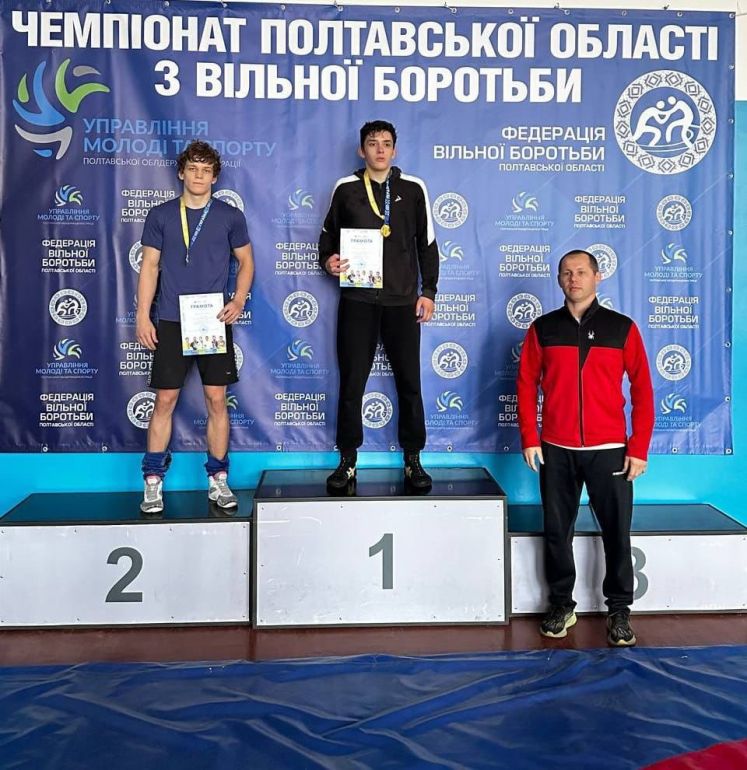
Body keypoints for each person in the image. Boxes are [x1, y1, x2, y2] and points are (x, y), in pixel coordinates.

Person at [516, 249, 654, 646]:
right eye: (566, 273)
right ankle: (562, 604)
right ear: (559, 279)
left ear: (597, 277)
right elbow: (525, 384)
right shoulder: (543, 328)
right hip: (556, 449)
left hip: (610, 449)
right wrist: (529, 437)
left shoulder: (621, 328)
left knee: (617, 533)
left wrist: (638, 447)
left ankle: (619, 610)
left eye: (580, 272)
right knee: (557, 532)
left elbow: (643, 390)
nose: (573, 279)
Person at [319, 120, 439, 490]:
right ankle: (347, 460)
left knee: (410, 383)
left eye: (387, 143)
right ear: (362, 150)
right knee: (352, 383)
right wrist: (329, 261)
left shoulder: (414, 188)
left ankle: (413, 459)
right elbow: (326, 239)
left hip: (402, 302)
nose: (380, 149)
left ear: (395, 150)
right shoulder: (346, 188)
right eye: (373, 143)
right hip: (358, 300)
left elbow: (427, 244)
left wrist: (428, 291)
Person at [135, 140, 254, 514]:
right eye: (193, 169)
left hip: (212, 320)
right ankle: (152, 481)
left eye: (206, 170)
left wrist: (238, 300)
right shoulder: (160, 214)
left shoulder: (230, 216)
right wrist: (143, 315)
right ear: (181, 173)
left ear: (215, 177)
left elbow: (246, 262)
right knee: (165, 400)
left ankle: (218, 479)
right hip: (172, 319)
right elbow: (149, 267)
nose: (199, 176)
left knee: (217, 400)